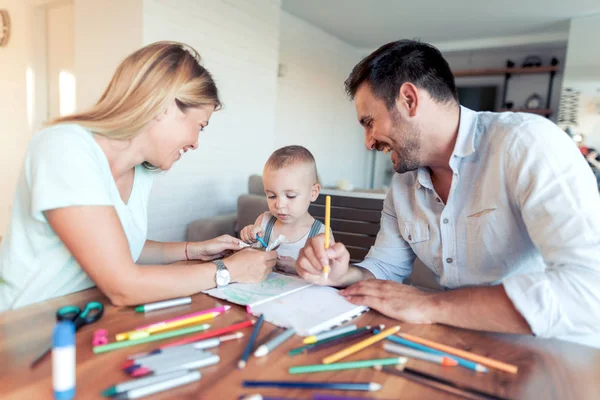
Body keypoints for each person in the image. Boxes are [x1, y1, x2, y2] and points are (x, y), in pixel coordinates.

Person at [296, 39, 600, 347]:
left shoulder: (527, 144)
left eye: (369, 122)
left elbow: (589, 289)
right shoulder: (403, 185)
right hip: (456, 344)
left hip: (556, 353)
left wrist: (429, 304)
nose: (368, 142)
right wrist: (342, 274)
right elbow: (385, 270)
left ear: (409, 100)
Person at [0, 41, 276, 311]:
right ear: (165, 106)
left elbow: (119, 247)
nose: (195, 143)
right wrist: (226, 270)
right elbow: (123, 285)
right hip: (21, 327)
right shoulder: (64, 148)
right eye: (200, 126)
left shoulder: (142, 170)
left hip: (85, 318)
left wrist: (194, 250)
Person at [240, 145, 333, 274]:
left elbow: (328, 274)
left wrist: (297, 268)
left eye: (290, 196)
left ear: (313, 193)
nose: (279, 204)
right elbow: (248, 259)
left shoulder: (321, 234)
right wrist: (249, 238)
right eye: (272, 196)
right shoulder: (263, 222)